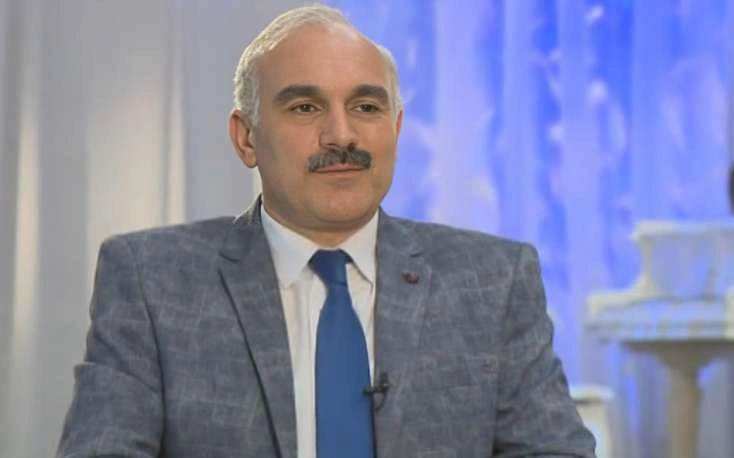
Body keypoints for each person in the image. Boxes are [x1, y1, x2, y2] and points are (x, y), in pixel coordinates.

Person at [57, 5, 596, 458]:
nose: (341, 134)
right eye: (305, 107)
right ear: (246, 137)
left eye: (366, 106)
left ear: (396, 128)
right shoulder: (151, 281)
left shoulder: (494, 282)